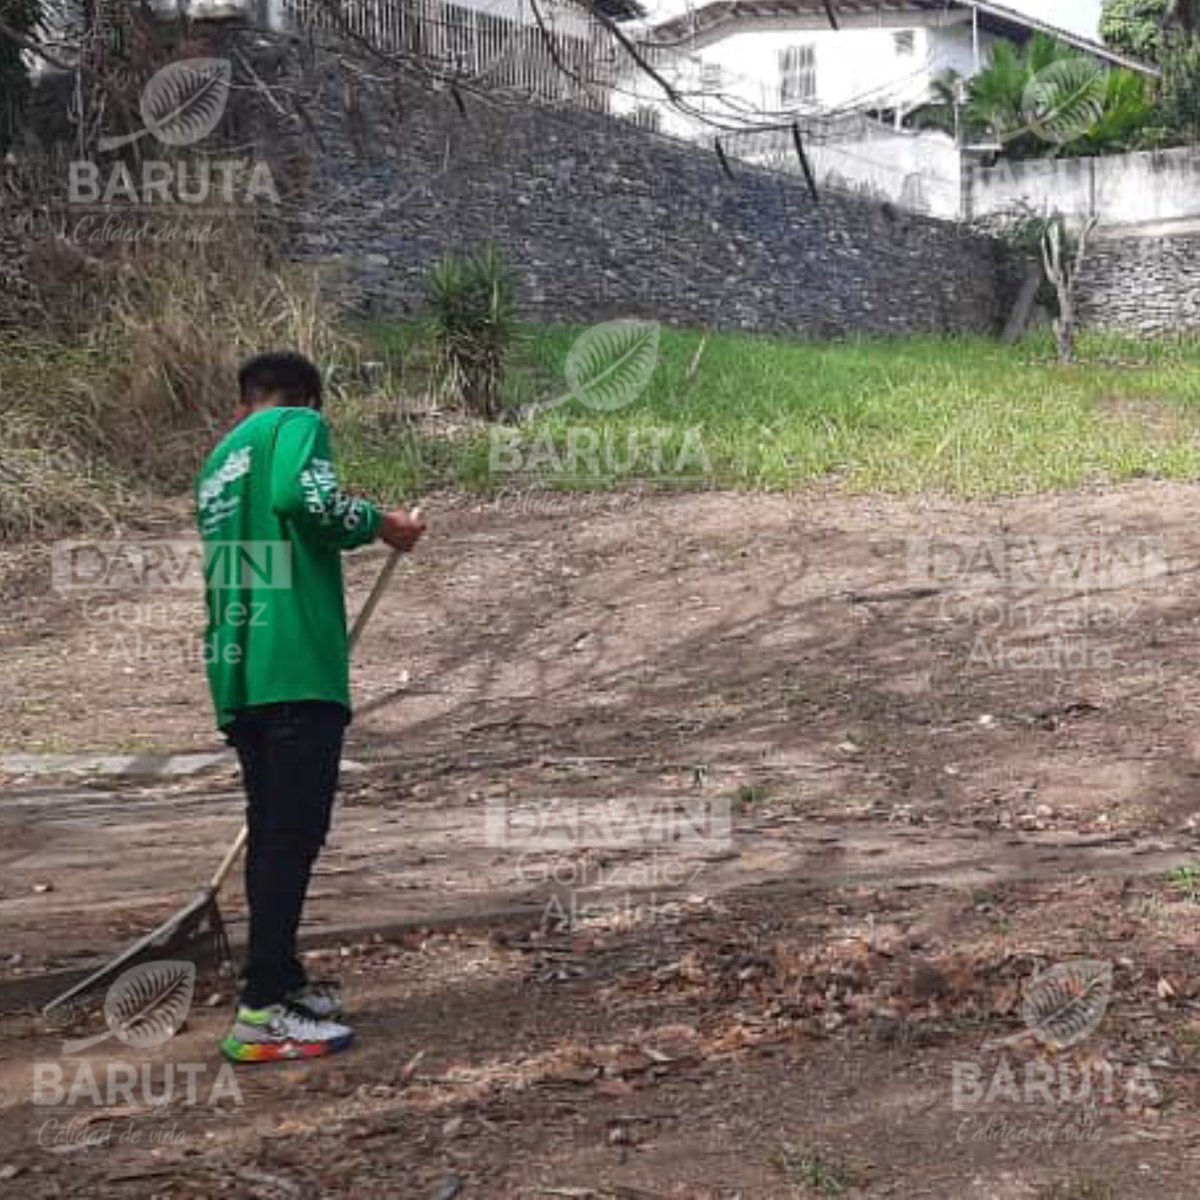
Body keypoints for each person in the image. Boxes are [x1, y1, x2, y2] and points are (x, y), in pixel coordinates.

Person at [195, 350, 424, 1062]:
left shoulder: (218, 465)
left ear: (243, 402)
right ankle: (261, 1012)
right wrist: (382, 524)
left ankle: (281, 980)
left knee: (272, 834)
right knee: (291, 839)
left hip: (240, 673)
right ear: (307, 400)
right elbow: (308, 501)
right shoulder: (296, 423)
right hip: (295, 669)